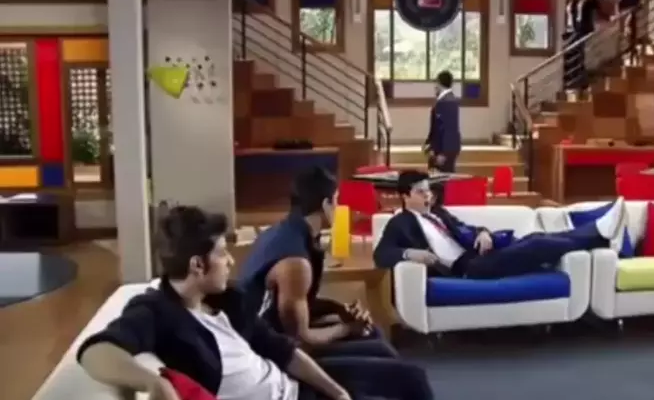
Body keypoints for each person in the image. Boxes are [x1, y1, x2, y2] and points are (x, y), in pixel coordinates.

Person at [76, 205, 432, 400]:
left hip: (292, 384)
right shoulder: (156, 311)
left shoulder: (226, 299)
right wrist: (153, 384)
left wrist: (337, 393)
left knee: (410, 378)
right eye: (222, 254)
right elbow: (95, 351)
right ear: (197, 265)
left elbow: (280, 349)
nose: (231, 261)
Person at [235, 166, 397, 359]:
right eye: (336, 201)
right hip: (269, 352)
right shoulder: (295, 263)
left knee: (373, 334)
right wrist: (347, 328)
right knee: (384, 354)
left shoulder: (282, 231)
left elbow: (295, 306)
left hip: (278, 334)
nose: (339, 207)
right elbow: (301, 341)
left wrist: (340, 310)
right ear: (325, 205)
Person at [374, 170, 624, 279]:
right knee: (536, 244)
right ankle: (599, 231)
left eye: (428, 191)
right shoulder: (400, 223)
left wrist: (483, 233)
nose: (428, 196)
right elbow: (381, 254)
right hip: (468, 268)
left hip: (481, 253)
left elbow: (466, 228)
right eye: (420, 192)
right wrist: (410, 254)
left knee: (534, 237)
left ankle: (601, 235)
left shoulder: (439, 213)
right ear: (405, 196)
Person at [423, 70, 460, 205]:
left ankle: (441, 209)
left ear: (439, 83)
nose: (434, 87)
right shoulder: (443, 100)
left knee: (441, 185)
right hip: (438, 149)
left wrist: (444, 153)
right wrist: (429, 143)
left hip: (444, 150)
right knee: (434, 184)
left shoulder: (448, 101)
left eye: (436, 83)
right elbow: (437, 126)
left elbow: (449, 129)